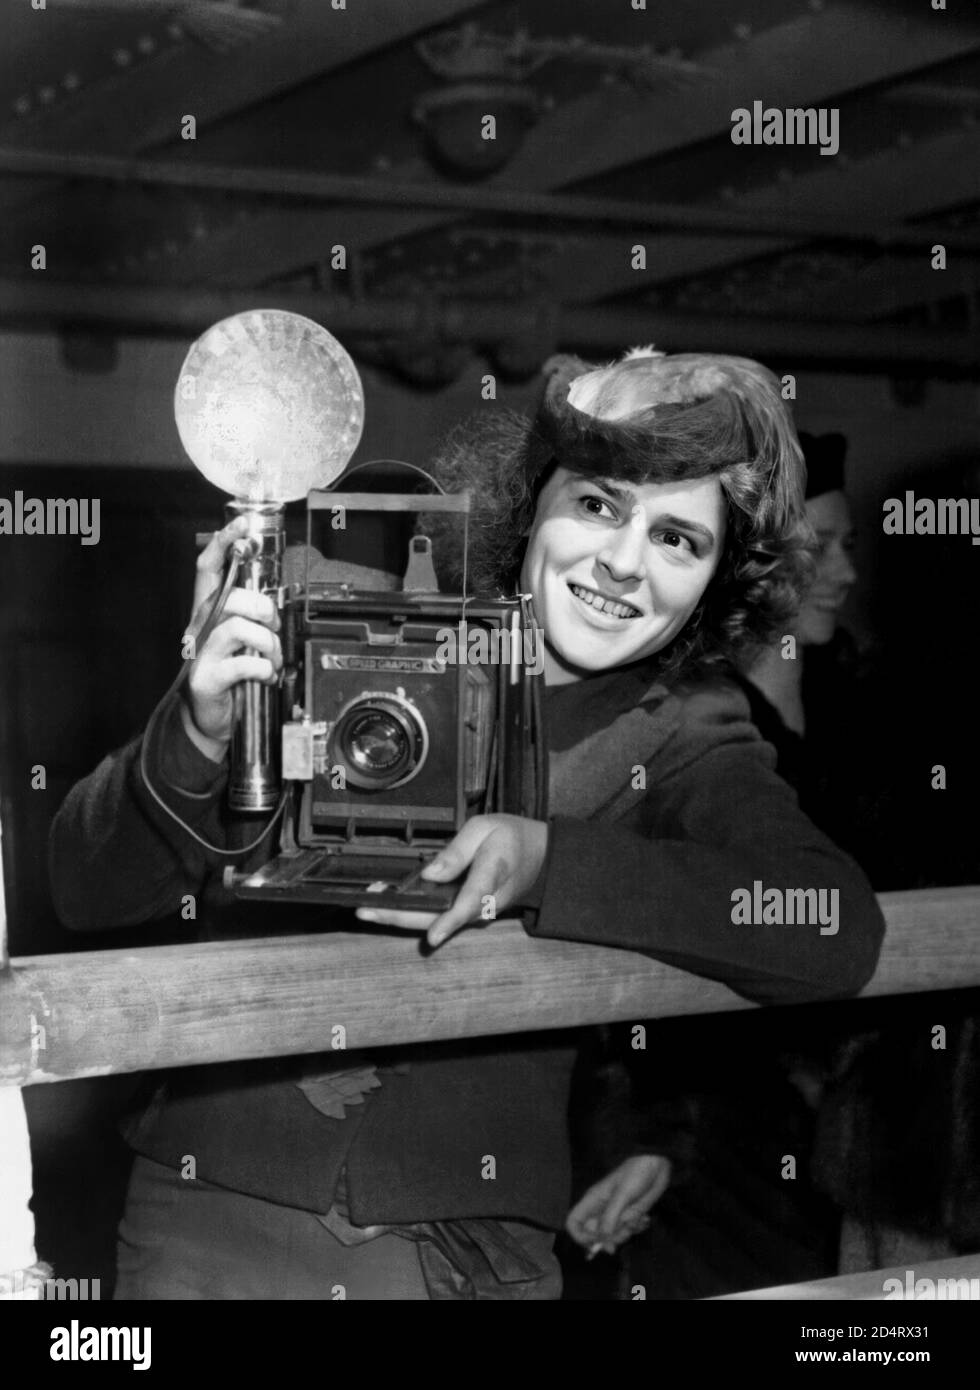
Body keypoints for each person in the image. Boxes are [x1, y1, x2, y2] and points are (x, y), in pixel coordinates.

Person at [48, 346, 886, 1301]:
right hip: (216, 1219)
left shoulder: (685, 734)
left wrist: (546, 867)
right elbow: (85, 889)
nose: (621, 560)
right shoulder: (336, 622)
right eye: (599, 504)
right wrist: (195, 731)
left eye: (678, 540)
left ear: (717, 579)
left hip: (464, 1251)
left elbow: (830, 925)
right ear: (532, 502)